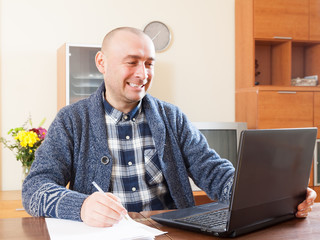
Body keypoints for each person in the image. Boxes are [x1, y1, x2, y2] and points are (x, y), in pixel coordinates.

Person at [22, 27, 316, 228]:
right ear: (102, 62)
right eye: (132, 62)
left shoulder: (172, 117)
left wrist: (273, 195)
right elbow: (34, 189)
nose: (142, 74)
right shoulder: (71, 120)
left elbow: (213, 172)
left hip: (169, 233)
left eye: (149, 63)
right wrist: (82, 206)